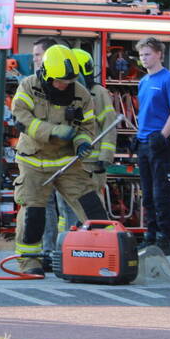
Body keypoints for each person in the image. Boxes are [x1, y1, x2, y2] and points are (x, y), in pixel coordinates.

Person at [10, 44, 107, 274]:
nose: (65, 85)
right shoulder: (28, 86)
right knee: (33, 213)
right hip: (34, 160)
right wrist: (52, 130)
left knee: (91, 206)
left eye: (69, 81)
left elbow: (87, 126)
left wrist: (82, 142)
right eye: (61, 81)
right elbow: (20, 118)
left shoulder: (80, 93)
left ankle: (106, 253)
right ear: (46, 74)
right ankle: (29, 262)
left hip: (67, 161)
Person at [134, 36, 170, 256]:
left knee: (161, 191)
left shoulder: (168, 80)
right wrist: (138, 135)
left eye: (148, 54)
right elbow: (143, 112)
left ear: (159, 54)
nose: (144, 58)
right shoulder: (143, 82)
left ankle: (164, 237)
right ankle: (150, 234)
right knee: (147, 192)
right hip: (145, 142)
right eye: (141, 55)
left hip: (160, 142)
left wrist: (162, 136)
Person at [29, 37, 67, 255]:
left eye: (37, 54)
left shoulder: (64, 83)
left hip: (62, 154)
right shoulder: (32, 83)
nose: (33, 59)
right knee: (45, 205)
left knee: (65, 204)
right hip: (39, 154)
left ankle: (65, 251)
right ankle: (48, 250)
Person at [71, 48, 118, 216]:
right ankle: (66, 239)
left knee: (93, 205)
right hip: (70, 161)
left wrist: (105, 156)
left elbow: (109, 124)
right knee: (68, 208)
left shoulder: (98, 93)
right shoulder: (69, 92)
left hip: (92, 164)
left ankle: (99, 238)